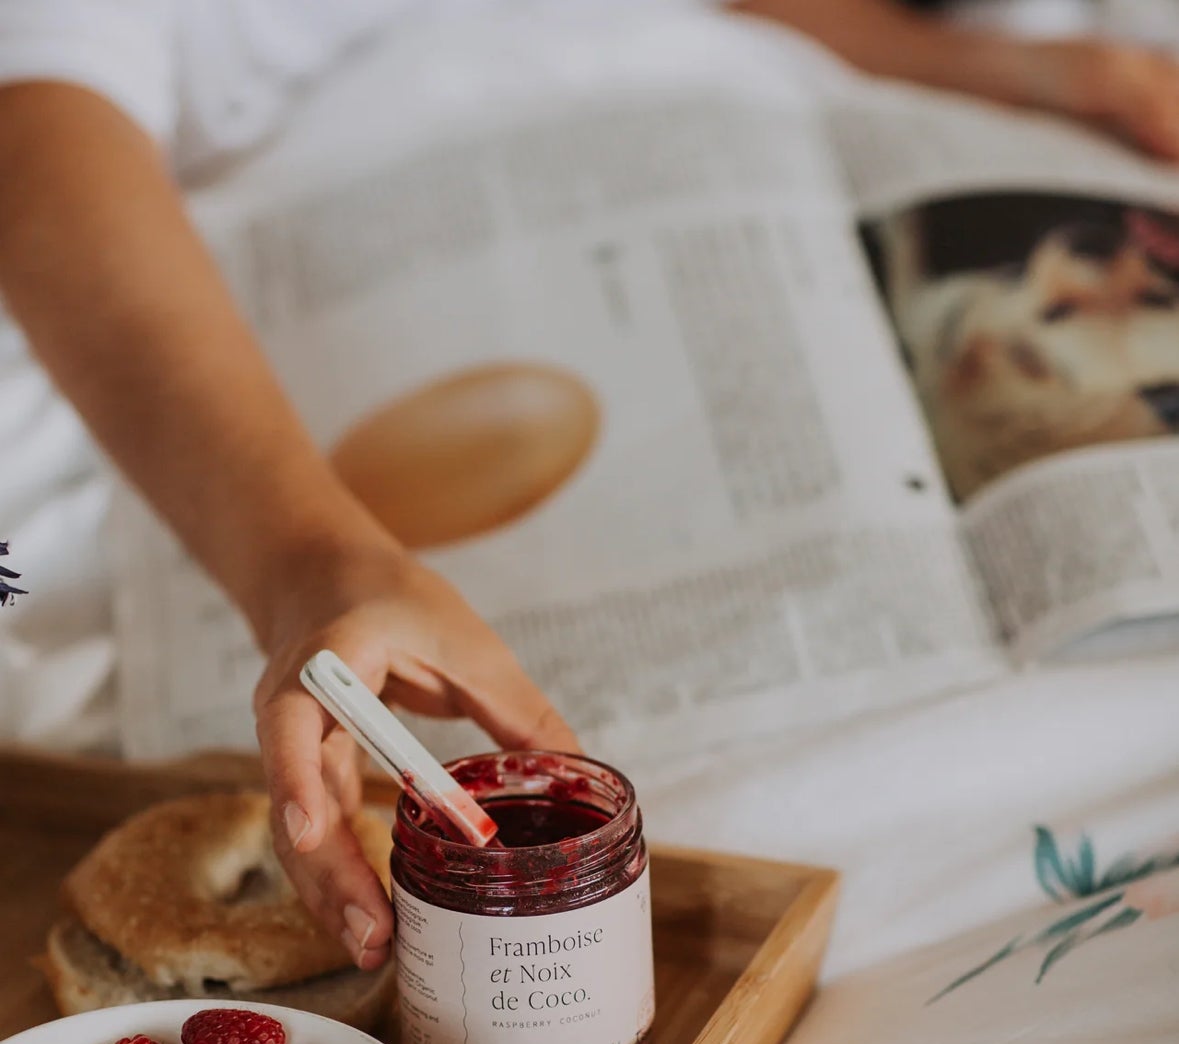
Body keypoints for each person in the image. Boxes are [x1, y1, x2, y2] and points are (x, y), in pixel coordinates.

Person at [1, 0, 1177, 975]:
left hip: (739, 123)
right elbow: (40, 125)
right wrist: (309, 563)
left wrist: (1004, 70)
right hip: (311, 259)